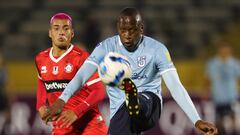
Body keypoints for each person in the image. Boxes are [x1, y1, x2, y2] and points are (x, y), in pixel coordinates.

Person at [43, 8, 218, 135]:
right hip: (121, 114)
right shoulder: (106, 47)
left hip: (150, 105)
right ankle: (130, 97)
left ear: (141, 28)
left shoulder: (156, 49)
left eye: (132, 30)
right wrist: (62, 99)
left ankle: (134, 98)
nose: (126, 35)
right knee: (124, 110)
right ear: (117, 29)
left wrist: (196, 119)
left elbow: (175, 86)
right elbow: (82, 74)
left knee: (137, 101)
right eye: (122, 30)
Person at [35, 13, 107, 135]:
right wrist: (41, 106)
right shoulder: (41, 59)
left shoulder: (82, 58)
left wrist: (76, 112)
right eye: (56, 28)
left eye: (66, 28)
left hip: (90, 124)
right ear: (50, 33)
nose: (61, 32)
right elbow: (42, 84)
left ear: (72, 33)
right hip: (63, 126)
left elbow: (99, 91)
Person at [205, 41, 240, 135]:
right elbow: (208, 79)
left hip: (231, 96)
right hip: (218, 97)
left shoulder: (235, 63)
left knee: (233, 117)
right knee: (218, 120)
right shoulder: (212, 63)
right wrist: (206, 91)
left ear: (230, 51)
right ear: (219, 51)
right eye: (223, 51)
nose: (224, 53)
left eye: (226, 51)